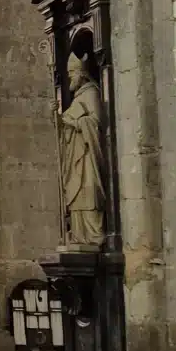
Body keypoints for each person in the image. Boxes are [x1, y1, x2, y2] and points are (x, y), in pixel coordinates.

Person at [59, 45, 106, 247]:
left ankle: (93, 236)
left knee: (88, 192)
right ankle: (79, 235)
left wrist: (75, 123)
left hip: (88, 156)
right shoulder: (78, 97)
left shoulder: (92, 93)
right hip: (75, 155)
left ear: (81, 73)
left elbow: (95, 124)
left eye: (72, 74)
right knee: (76, 193)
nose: (70, 78)